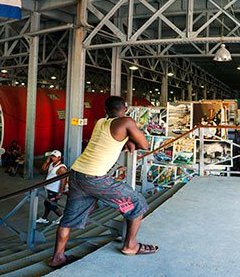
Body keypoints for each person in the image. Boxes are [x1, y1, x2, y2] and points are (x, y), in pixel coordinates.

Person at [49, 96, 156, 268]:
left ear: (106, 110)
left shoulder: (100, 122)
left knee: (68, 219)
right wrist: (131, 139)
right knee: (138, 202)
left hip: (77, 173)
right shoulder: (126, 122)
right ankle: (130, 246)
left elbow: (109, 142)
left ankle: (58, 257)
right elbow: (144, 144)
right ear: (126, 108)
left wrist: (127, 140)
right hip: (95, 178)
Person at [36, 150, 67, 224]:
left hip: (54, 190)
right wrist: (47, 162)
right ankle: (44, 218)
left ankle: (63, 219)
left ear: (59, 158)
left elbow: (63, 181)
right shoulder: (51, 164)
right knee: (47, 203)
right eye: (52, 156)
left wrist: (60, 193)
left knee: (52, 205)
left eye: (55, 157)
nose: (53, 158)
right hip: (49, 188)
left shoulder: (61, 168)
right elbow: (43, 170)